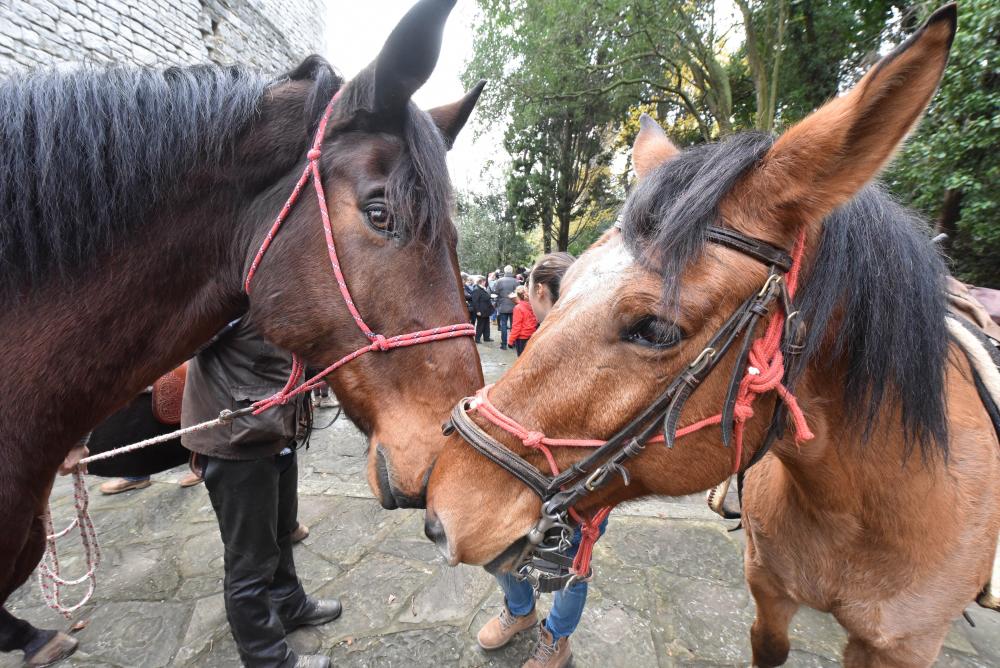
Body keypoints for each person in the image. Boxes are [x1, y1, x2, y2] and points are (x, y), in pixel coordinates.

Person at [182, 317, 339, 668]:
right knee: (249, 562)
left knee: (282, 534)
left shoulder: (279, 293)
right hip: (237, 445)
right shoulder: (226, 294)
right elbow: (181, 339)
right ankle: (266, 659)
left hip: (276, 436)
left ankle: (288, 604)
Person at [478, 252, 595, 668]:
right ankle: (522, 610)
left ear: (540, 291)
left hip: (582, 483)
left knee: (572, 564)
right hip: (527, 475)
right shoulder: (543, 342)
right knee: (496, 544)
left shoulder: (592, 348)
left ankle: (556, 639)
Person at [506, 285, 538, 356]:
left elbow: (516, 326)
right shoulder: (533, 306)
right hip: (532, 335)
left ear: (517, 296)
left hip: (522, 338)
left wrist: (511, 341)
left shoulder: (518, 308)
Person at [494, 265, 519, 350]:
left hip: (502, 305)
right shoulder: (516, 281)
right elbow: (518, 293)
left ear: (505, 271)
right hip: (514, 305)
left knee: (503, 325)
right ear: (511, 271)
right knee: (514, 325)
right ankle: (513, 343)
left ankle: (504, 344)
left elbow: (496, 292)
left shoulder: (499, 281)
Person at [470, 277, 495, 344]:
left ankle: (486, 337)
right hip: (481, 310)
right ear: (482, 282)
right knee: (480, 325)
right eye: (484, 282)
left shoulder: (482, 289)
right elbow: (475, 302)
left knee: (486, 324)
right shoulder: (476, 290)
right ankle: (477, 338)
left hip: (486, 310)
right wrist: (478, 311)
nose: (485, 283)